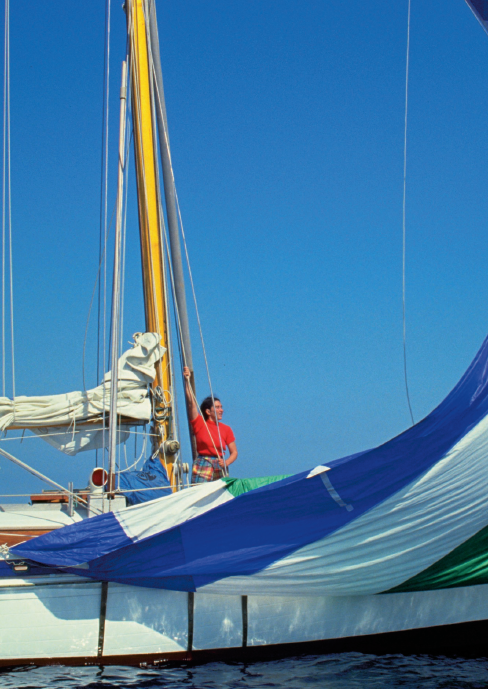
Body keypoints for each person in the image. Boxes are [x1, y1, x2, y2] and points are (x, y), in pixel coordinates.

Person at [183, 366, 238, 483]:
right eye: (217, 407)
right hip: (203, 462)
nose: (221, 410)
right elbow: (191, 403)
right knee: (199, 492)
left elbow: (234, 452)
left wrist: (226, 462)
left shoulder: (226, 429)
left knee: (220, 495)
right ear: (208, 411)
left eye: (221, 407)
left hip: (219, 463)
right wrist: (187, 381)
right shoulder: (199, 423)